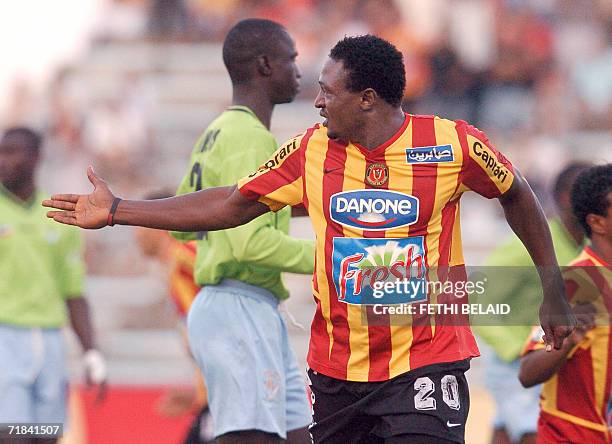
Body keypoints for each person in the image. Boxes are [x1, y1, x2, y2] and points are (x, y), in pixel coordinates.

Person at [43, 35, 575, 444]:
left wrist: (552, 289)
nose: (316, 100)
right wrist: (118, 211)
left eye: (328, 90)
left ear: (366, 99)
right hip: (336, 368)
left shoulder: (451, 144)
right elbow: (232, 203)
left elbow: (518, 195)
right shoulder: (311, 150)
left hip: (426, 358)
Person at [169, 19, 316, 444]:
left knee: (298, 434)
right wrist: (330, 255)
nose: (298, 71)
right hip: (238, 305)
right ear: (266, 65)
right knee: (251, 437)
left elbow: (187, 225)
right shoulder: (249, 137)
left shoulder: (217, 131)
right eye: (292, 60)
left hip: (247, 306)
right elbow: (247, 241)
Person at [0, 127, 106, 444]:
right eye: (1, 152)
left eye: (11, 152)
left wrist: (91, 352)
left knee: (45, 435)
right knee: (11, 433)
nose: (3, 161)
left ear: (36, 158)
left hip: (50, 341)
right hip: (5, 336)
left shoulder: (58, 215)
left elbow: (73, 290)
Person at [474, 162, 589, 444]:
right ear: (564, 198)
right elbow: (477, 299)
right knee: (533, 432)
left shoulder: (589, 246)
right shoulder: (530, 244)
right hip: (516, 360)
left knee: (505, 431)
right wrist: (513, 349)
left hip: (551, 356)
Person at [520, 163, 612, 443]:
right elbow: (527, 372)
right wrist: (570, 339)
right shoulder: (576, 283)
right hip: (570, 436)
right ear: (597, 222)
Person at [134, 191, 213, 444]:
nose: (134, 234)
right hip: (215, 392)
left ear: (158, 224)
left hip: (228, 391)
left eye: (138, 224)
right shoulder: (173, 266)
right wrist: (199, 395)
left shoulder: (186, 253)